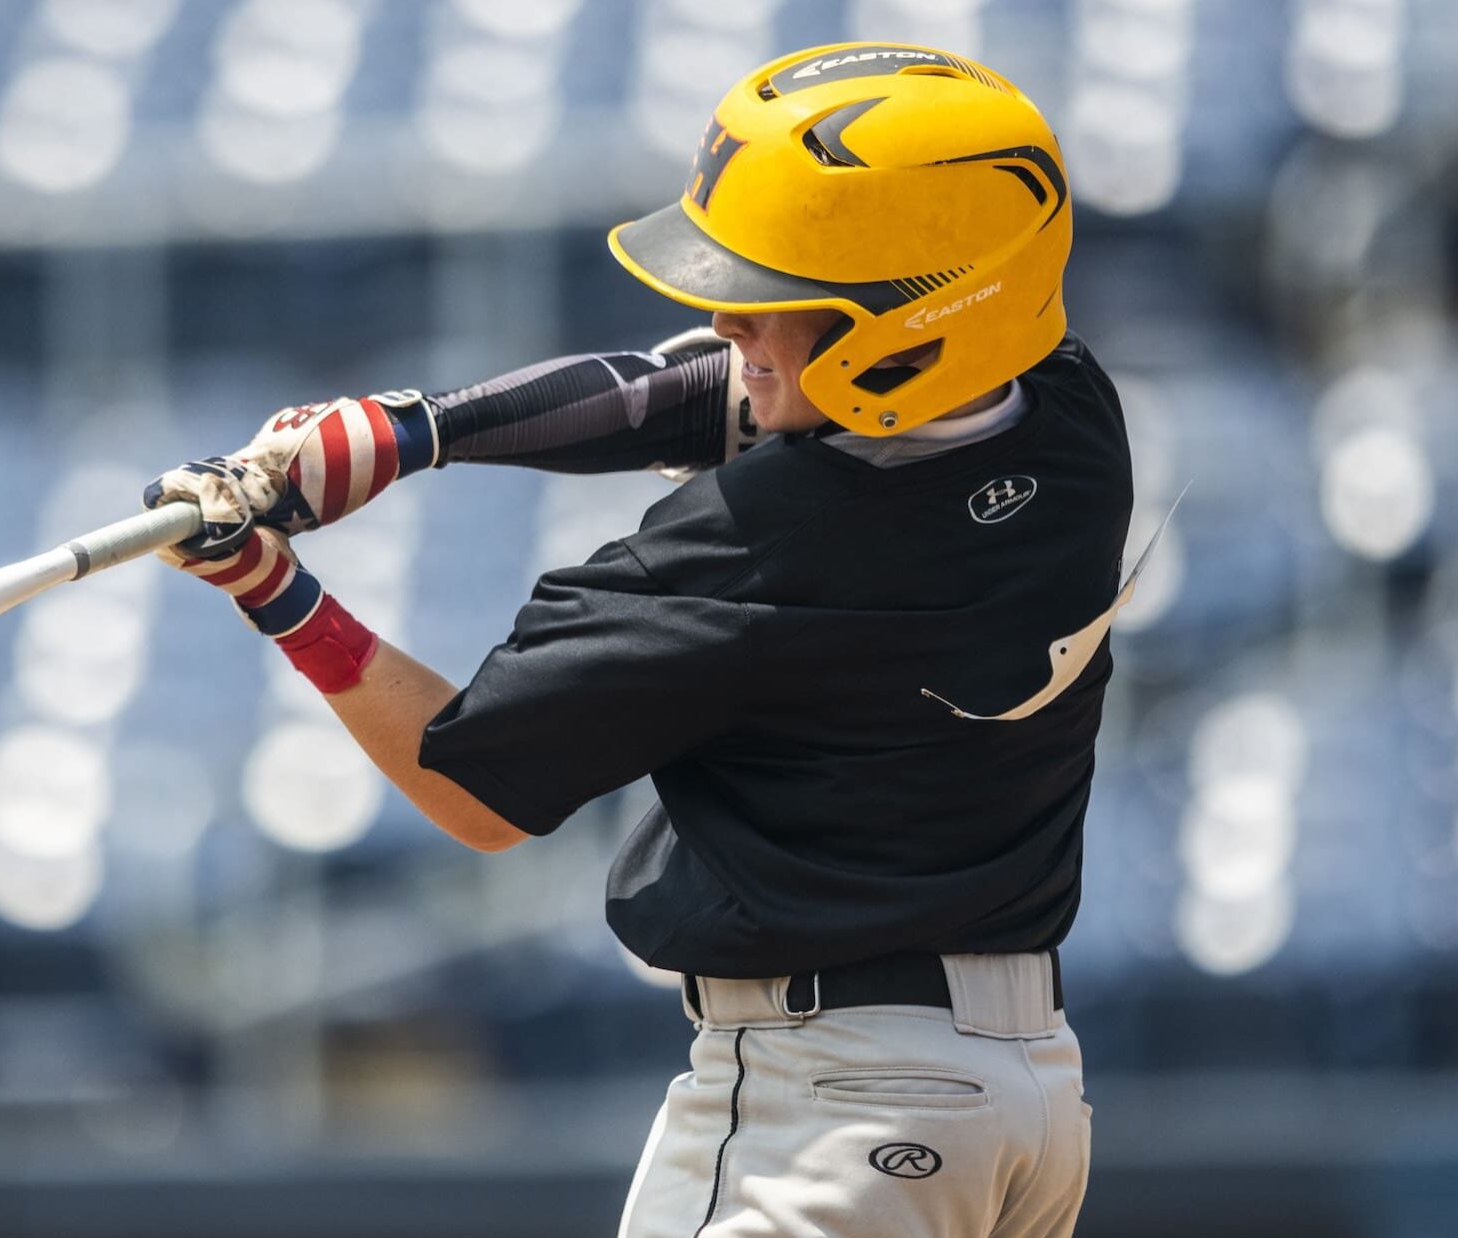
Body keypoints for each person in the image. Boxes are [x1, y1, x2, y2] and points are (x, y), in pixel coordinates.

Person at [146, 43, 1146, 1238]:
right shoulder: (1069, 419)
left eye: (776, 297)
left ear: (914, 315)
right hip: (1024, 1101)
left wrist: (272, 585)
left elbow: (469, 787)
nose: (726, 321)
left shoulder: (744, 552)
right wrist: (417, 431)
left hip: (825, 1112)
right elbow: (694, 394)